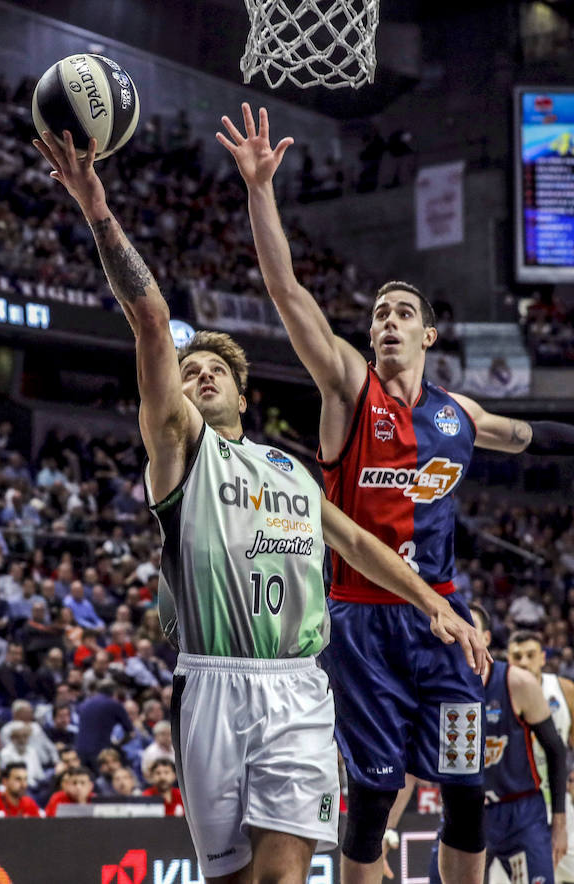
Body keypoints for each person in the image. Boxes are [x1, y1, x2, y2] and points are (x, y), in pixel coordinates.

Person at [33, 127, 488, 884]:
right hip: (211, 680)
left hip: (297, 683)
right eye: (189, 370)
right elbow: (150, 319)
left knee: (282, 878)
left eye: (215, 368)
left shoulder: (288, 468)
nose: (200, 375)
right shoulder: (179, 450)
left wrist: (430, 601)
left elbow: (355, 542)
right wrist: (97, 206)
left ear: (244, 393)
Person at [216, 102, 574, 884]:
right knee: (374, 802)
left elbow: (528, 436)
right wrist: (260, 192)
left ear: (428, 335)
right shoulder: (349, 389)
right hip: (365, 626)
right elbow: (288, 295)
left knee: (466, 792)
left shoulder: (457, 414)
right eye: (379, 312)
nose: (387, 321)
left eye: (403, 312)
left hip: (443, 622)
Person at [428, 604, 567, 884]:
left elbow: (556, 749)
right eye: (455, 628)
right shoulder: (434, 686)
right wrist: (389, 826)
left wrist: (560, 822)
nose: (462, 635)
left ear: (487, 638)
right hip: (468, 809)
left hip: (522, 811)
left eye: (470, 628)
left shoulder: (518, 682)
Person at [507, 630, 574, 884]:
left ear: (543, 658)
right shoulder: (500, 693)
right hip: (517, 807)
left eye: (530, 655)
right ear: (508, 660)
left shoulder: (564, 690)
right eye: (517, 656)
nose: (524, 661)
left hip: (559, 803)